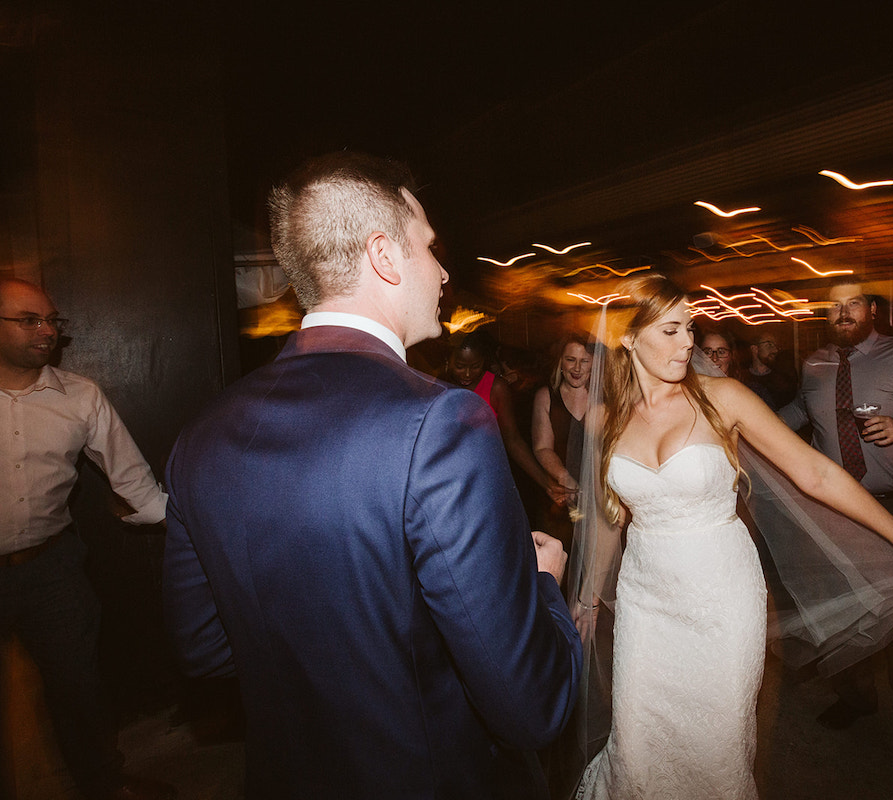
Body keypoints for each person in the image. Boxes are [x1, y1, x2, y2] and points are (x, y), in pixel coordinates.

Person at [161, 152, 582, 800]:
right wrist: (544, 592)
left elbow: (206, 648)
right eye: (429, 249)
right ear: (385, 256)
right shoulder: (441, 422)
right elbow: (529, 704)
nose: (443, 273)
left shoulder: (202, 434)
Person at [571, 274, 893, 799]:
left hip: (722, 598)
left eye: (691, 327)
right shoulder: (604, 420)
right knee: (639, 736)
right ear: (629, 339)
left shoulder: (722, 398)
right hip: (645, 602)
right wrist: (590, 593)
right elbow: (613, 519)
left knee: (715, 746)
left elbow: (815, 473)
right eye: (672, 330)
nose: (688, 343)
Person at [777, 279, 893, 761]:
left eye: (853, 304)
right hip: (836, 512)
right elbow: (801, 411)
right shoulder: (815, 363)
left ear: (872, 310)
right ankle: (856, 699)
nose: (843, 312)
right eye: (835, 306)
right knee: (844, 610)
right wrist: (741, 425)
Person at [0, 278, 175, 800]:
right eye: (29, 320)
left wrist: (200, 530)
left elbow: (135, 483)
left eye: (53, 320)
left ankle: (103, 785)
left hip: (51, 570)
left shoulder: (81, 397)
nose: (47, 330)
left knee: (80, 690)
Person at [444, 330, 570, 507]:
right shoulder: (437, 385)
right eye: (460, 365)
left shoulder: (496, 388)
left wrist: (546, 482)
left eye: (475, 366)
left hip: (485, 477)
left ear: (485, 362)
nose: (466, 373)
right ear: (448, 361)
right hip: (448, 477)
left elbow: (513, 440)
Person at [531, 335, 592, 545]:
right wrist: (566, 479)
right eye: (570, 359)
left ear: (594, 363)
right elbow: (542, 447)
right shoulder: (546, 396)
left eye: (584, 361)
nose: (577, 368)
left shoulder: (605, 397)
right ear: (560, 363)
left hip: (600, 496)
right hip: (560, 496)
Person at [743, 329, 795, 409]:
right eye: (769, 345)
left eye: (776, 346)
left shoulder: (783, 380)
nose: (775, 350)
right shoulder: (742, 379)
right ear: (754, 349)